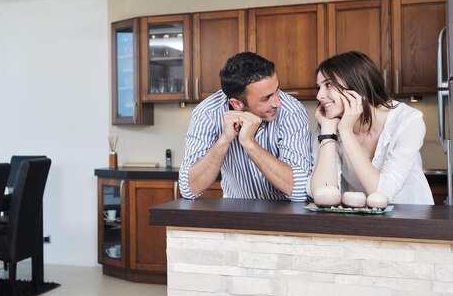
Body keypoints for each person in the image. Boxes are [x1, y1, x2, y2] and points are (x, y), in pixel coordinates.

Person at [179, 52, 311, 201]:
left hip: (287, 214)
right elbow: (189, 189)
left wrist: (249, 143)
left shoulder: (292, 112)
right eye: (266, 98)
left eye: (277, 90)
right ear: (237, 104)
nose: (278, 103)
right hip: (237, 212)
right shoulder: (207, 114)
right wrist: (224, 140)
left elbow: (300, 190)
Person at [309, 51, 434, 205]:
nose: (319, 96)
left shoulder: (408, 121)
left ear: (356, 85)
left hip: (413, 219)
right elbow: (322, 194)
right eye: (318, 87)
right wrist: (328, 132)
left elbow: (382, 194)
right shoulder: (328, 123)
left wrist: (346, 132)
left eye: (328, 84)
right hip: (365, 224)